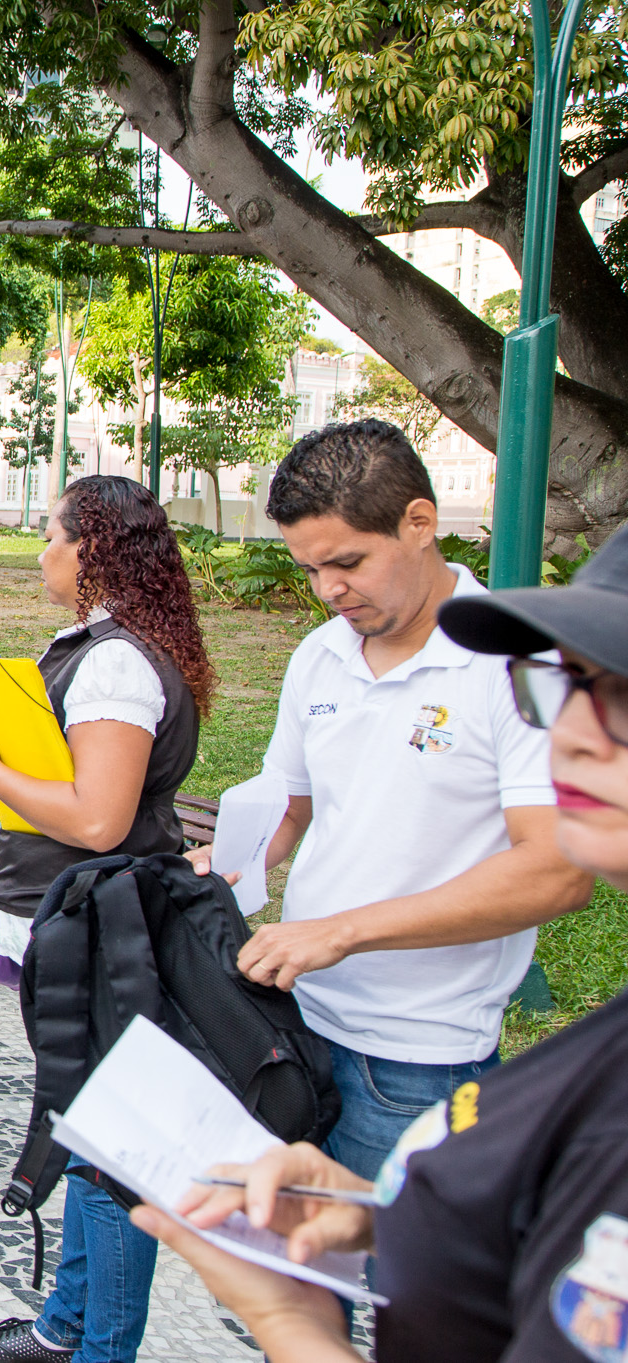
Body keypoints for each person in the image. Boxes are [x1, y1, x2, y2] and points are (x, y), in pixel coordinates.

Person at [129, 524, 628, 1363]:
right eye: (567, 684)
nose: (571, 732)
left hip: (418, 1042)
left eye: (618, 694)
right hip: (312, 1022)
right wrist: (377, 1210)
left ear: (418, 524)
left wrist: (293, 1328)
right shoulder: (596, 1061)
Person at [194, 420, 582, 1181]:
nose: (328, 590)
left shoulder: (521, 663)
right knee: (292, 1275)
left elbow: (559, 870)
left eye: (347, 562)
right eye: (309, 569)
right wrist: (236, 856)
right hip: (292, 1022)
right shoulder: (322, 654)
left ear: (420, 523)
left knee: (397, 1289)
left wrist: (343, 931)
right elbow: (293, 806)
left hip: (417, 1058)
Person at [0, 476, 215, 1363]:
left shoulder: (118, 662)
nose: (41, 552)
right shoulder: (104, 647)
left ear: (91, 549)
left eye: (51, 536)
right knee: (90, 1128)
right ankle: (68, 1325)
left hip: (110, 927)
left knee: (110, 1147)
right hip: (86, 921)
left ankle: (101, 1344)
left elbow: (97, 817)